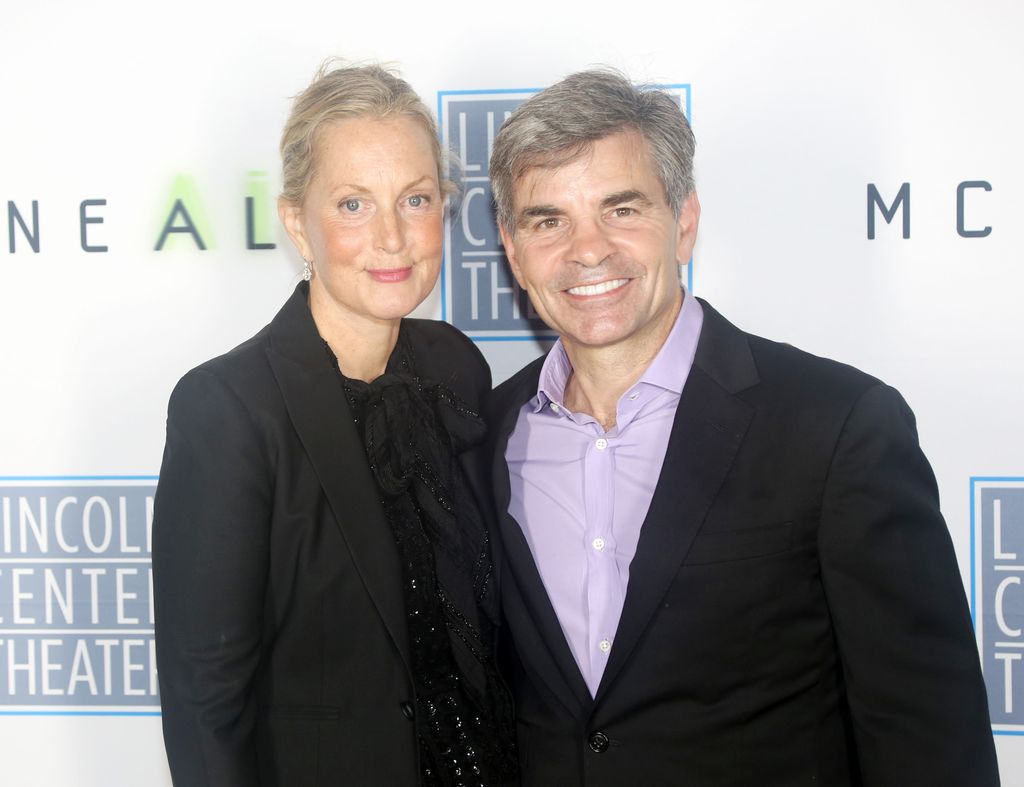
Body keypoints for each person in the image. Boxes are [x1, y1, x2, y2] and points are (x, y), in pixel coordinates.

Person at [484, 69, 999, 786]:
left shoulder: (837, 428)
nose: (588, 249)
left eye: (621, 209)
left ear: (683, 220)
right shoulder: (482, 435)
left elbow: (930, 738)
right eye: (549, 221)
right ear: (513, 250)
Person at [153, 62, 516, 787]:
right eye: (353, 204)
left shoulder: (455, 368)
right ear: (297, 222)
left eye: (415, 198)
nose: (393, 236)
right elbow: (206, 707)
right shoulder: (229, 408)